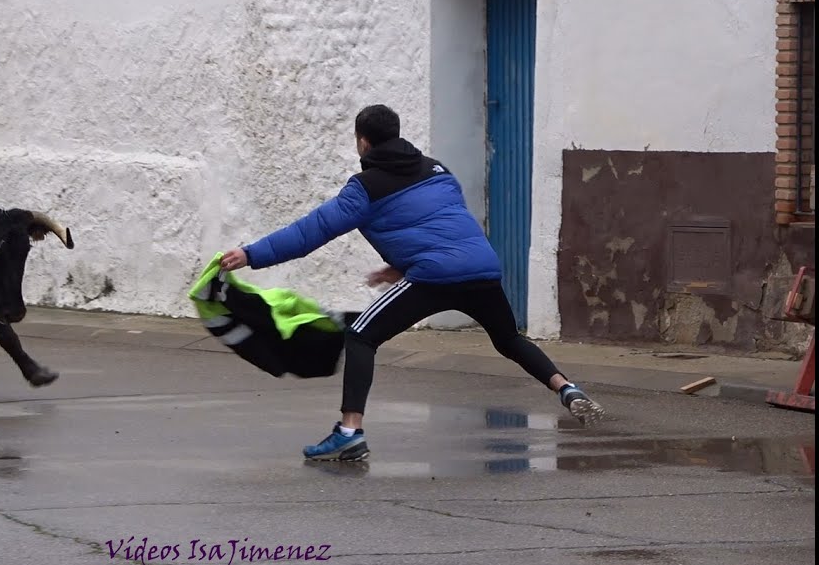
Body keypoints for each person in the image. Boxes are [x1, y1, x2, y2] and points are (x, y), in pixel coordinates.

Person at [219, 104, 606, 462]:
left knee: (360, 336)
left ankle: (349, 431)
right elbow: (439, 223)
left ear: (363, 141)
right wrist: (401, 266)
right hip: (482, 266)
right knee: (508, 339)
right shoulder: (436, 169)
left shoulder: (364, 187)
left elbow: (312, 231)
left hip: (434, 275)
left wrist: (250, 254)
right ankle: (566, 388)